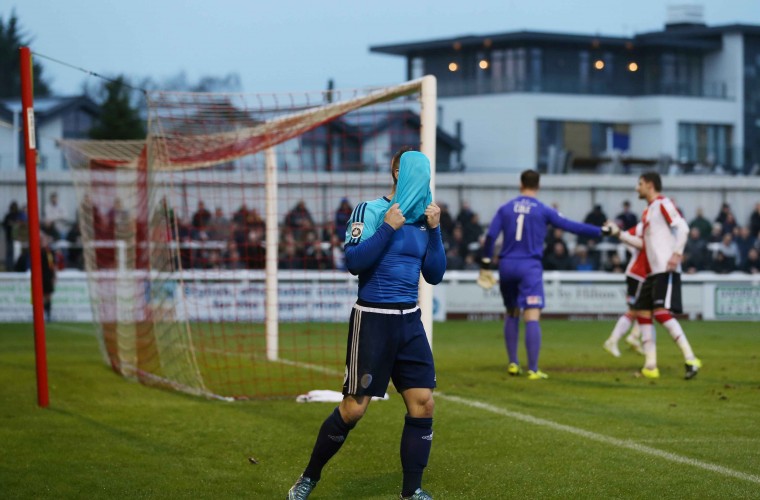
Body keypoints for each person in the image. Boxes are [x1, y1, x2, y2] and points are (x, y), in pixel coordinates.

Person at [287, 149, 445, 500]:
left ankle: (411, 491)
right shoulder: (370, 211)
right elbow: (355, 262)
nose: (421, 180)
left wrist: (435, 232)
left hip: (410, 321)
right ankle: (308, 478)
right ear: (396, 172)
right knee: (354, 408)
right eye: (413, 172)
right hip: (373, 319)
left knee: (424, 403)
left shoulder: (425, 219)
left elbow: (434, 274)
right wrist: (388, 226)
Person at [477, 169, 604, 380]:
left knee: (511, 312)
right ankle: (533, 369)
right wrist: (599, 231)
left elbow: (491, 236)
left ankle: (512, 363)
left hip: (507, 265)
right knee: (532, 315)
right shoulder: (543, 210)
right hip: (530, 267)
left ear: (521, 184)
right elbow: (571, 226)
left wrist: (486, 262)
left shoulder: (506, 208)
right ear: (538, 185)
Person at [630, 172, 701, 379]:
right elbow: (641, 243)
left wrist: (677, 254)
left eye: (640, 183)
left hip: (665, 268)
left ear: (650, 185)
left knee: (660, 313)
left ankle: (691, 358)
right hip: (653, 272)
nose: (637, 188)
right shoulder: (648, 211)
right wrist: (618, 234)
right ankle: (650, 366)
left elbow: (683, 228)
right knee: (643, 312)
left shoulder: (663, 203)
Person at [602, 222, 648, 357]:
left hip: (643, 274)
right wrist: (636, 251)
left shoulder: (647, 225)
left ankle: (633, 336)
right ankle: (613, 340)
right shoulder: (644, 226)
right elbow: (625, 236)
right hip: (638, 274)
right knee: (635, 310)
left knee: (647, 308)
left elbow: (626, 236)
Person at [3, 201, 20, 271]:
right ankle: (9, 267)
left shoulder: (17, 216)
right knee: (10, 252)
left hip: (16, 237)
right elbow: (4, 224)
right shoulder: (9, 216)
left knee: (14, 252)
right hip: (10, 237)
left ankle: (13, 266)